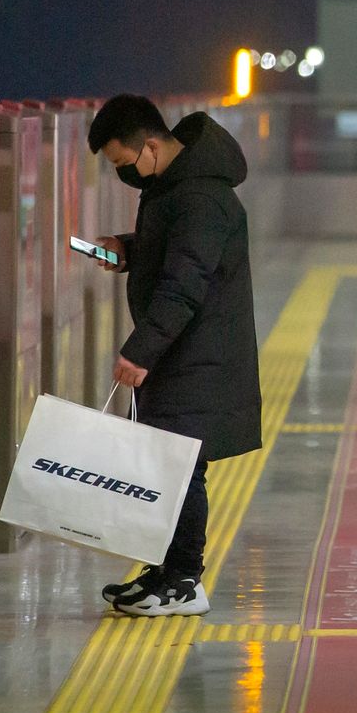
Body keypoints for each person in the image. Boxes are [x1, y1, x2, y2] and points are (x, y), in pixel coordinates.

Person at [86, 95, 260, 617]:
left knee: (182, 466)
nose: (125, 174)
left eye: (125, 162)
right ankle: (166, 571)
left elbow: (185, 282)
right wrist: (127, 249)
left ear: (151, 145)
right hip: (183, 350)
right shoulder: (176, 187)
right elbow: (175, 248)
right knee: (169, 463)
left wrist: (141, 350)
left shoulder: (202, 196)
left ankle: (185, 581)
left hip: (198, 353)